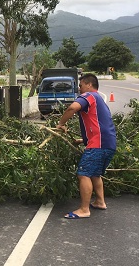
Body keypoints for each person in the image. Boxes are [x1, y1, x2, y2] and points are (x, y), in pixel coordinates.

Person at [56, 73, 116, 219]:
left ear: (89, 85)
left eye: (81, 85)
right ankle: (100, 202)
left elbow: (72, 108)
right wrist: (83, 140)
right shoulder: (100, 101)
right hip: (108, 144)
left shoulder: (89, 95)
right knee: (95, 174)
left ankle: (84, 209)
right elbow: (100, 126)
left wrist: (61, 123)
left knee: (83, 174)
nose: (79, 88)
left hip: (98, 145)